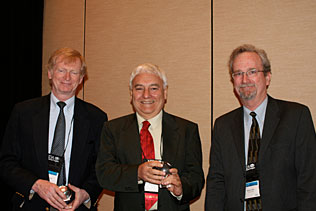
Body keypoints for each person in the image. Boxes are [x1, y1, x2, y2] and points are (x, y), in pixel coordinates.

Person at [205, 44, 316, 210]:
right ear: (233, 80)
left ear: (268, 77)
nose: (245, 80)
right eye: (238, 73)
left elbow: (309, 180)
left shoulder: (296, 117)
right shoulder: (222, 125)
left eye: (252, 72)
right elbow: (216, 184)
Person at [0, 47, 108, 210]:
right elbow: (7, 162)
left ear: (81, 79)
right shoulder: (24, 112)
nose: (67, 77)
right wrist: (35, 184)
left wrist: (86, 193)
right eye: (61, 70)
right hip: (32, 205)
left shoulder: (96, 117)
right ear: (50, 73)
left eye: (74, 72)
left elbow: (102, 166)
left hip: (76, 207)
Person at [96, 63, 204, 211]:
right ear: (131, 93)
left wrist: (181, 189)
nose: (146, 95)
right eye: (139, 88)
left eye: (154, 88)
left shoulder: (187, 130)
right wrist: (137, 173)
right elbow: (104, 174)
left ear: (165, 93)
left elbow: (196, 179)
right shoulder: (113, 129)